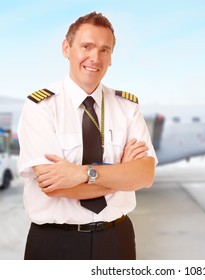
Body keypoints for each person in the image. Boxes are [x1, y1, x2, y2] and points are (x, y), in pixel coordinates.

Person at [17, 11, 157, 260]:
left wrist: (81, 174)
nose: (95, 57)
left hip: (117, 240)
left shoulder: (127, 107)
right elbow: (53, 186)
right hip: (54, 243)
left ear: (111, 57)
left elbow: (145, 175)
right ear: (66, 48)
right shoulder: (40, 106)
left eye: (105, 49)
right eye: (87, 47)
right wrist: (122, 173)